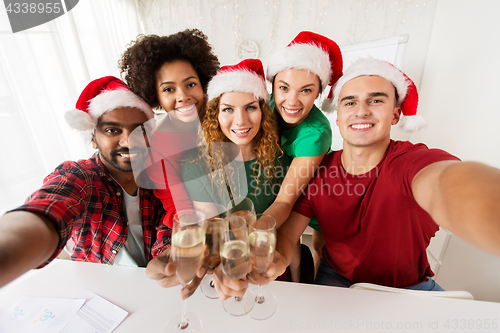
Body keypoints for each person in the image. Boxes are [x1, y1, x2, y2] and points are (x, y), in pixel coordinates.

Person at [218, 57, 500, 298]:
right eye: (349, 102)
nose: (361, 110)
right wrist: (271, 262)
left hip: (412, 289)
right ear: (337, 117)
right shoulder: (317, 172)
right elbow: (288, 237)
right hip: (337, 284)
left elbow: (447, 183)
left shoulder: (414, 162)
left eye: (375, 100)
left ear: (396, 113)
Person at [0, 76, 174, 288]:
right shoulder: (80, 176)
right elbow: (48, 208)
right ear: (93, 138)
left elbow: (170, 226)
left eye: (140, 130)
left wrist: (167, 255)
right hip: (98, 293)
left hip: (155, 288)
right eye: (113, 130)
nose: (128, 141)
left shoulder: (162, 178)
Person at [119, 30, 220, 292]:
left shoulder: (226, 118)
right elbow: (179, 206)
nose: (182, 96)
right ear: (156, 96)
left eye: (190, 84)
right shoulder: (156, 143)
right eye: (168, 89)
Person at [263, 31, 344, 279]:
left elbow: (286, 201)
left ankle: (312, 285)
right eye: (284, 88)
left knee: (322, 245)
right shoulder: (261, 106)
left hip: (313, 187)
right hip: (274, 179)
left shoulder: (316, 133)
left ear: (318, 93)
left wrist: (257, 227)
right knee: (286, 242)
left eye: (306, 91)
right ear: (273, 87)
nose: (292, 100)